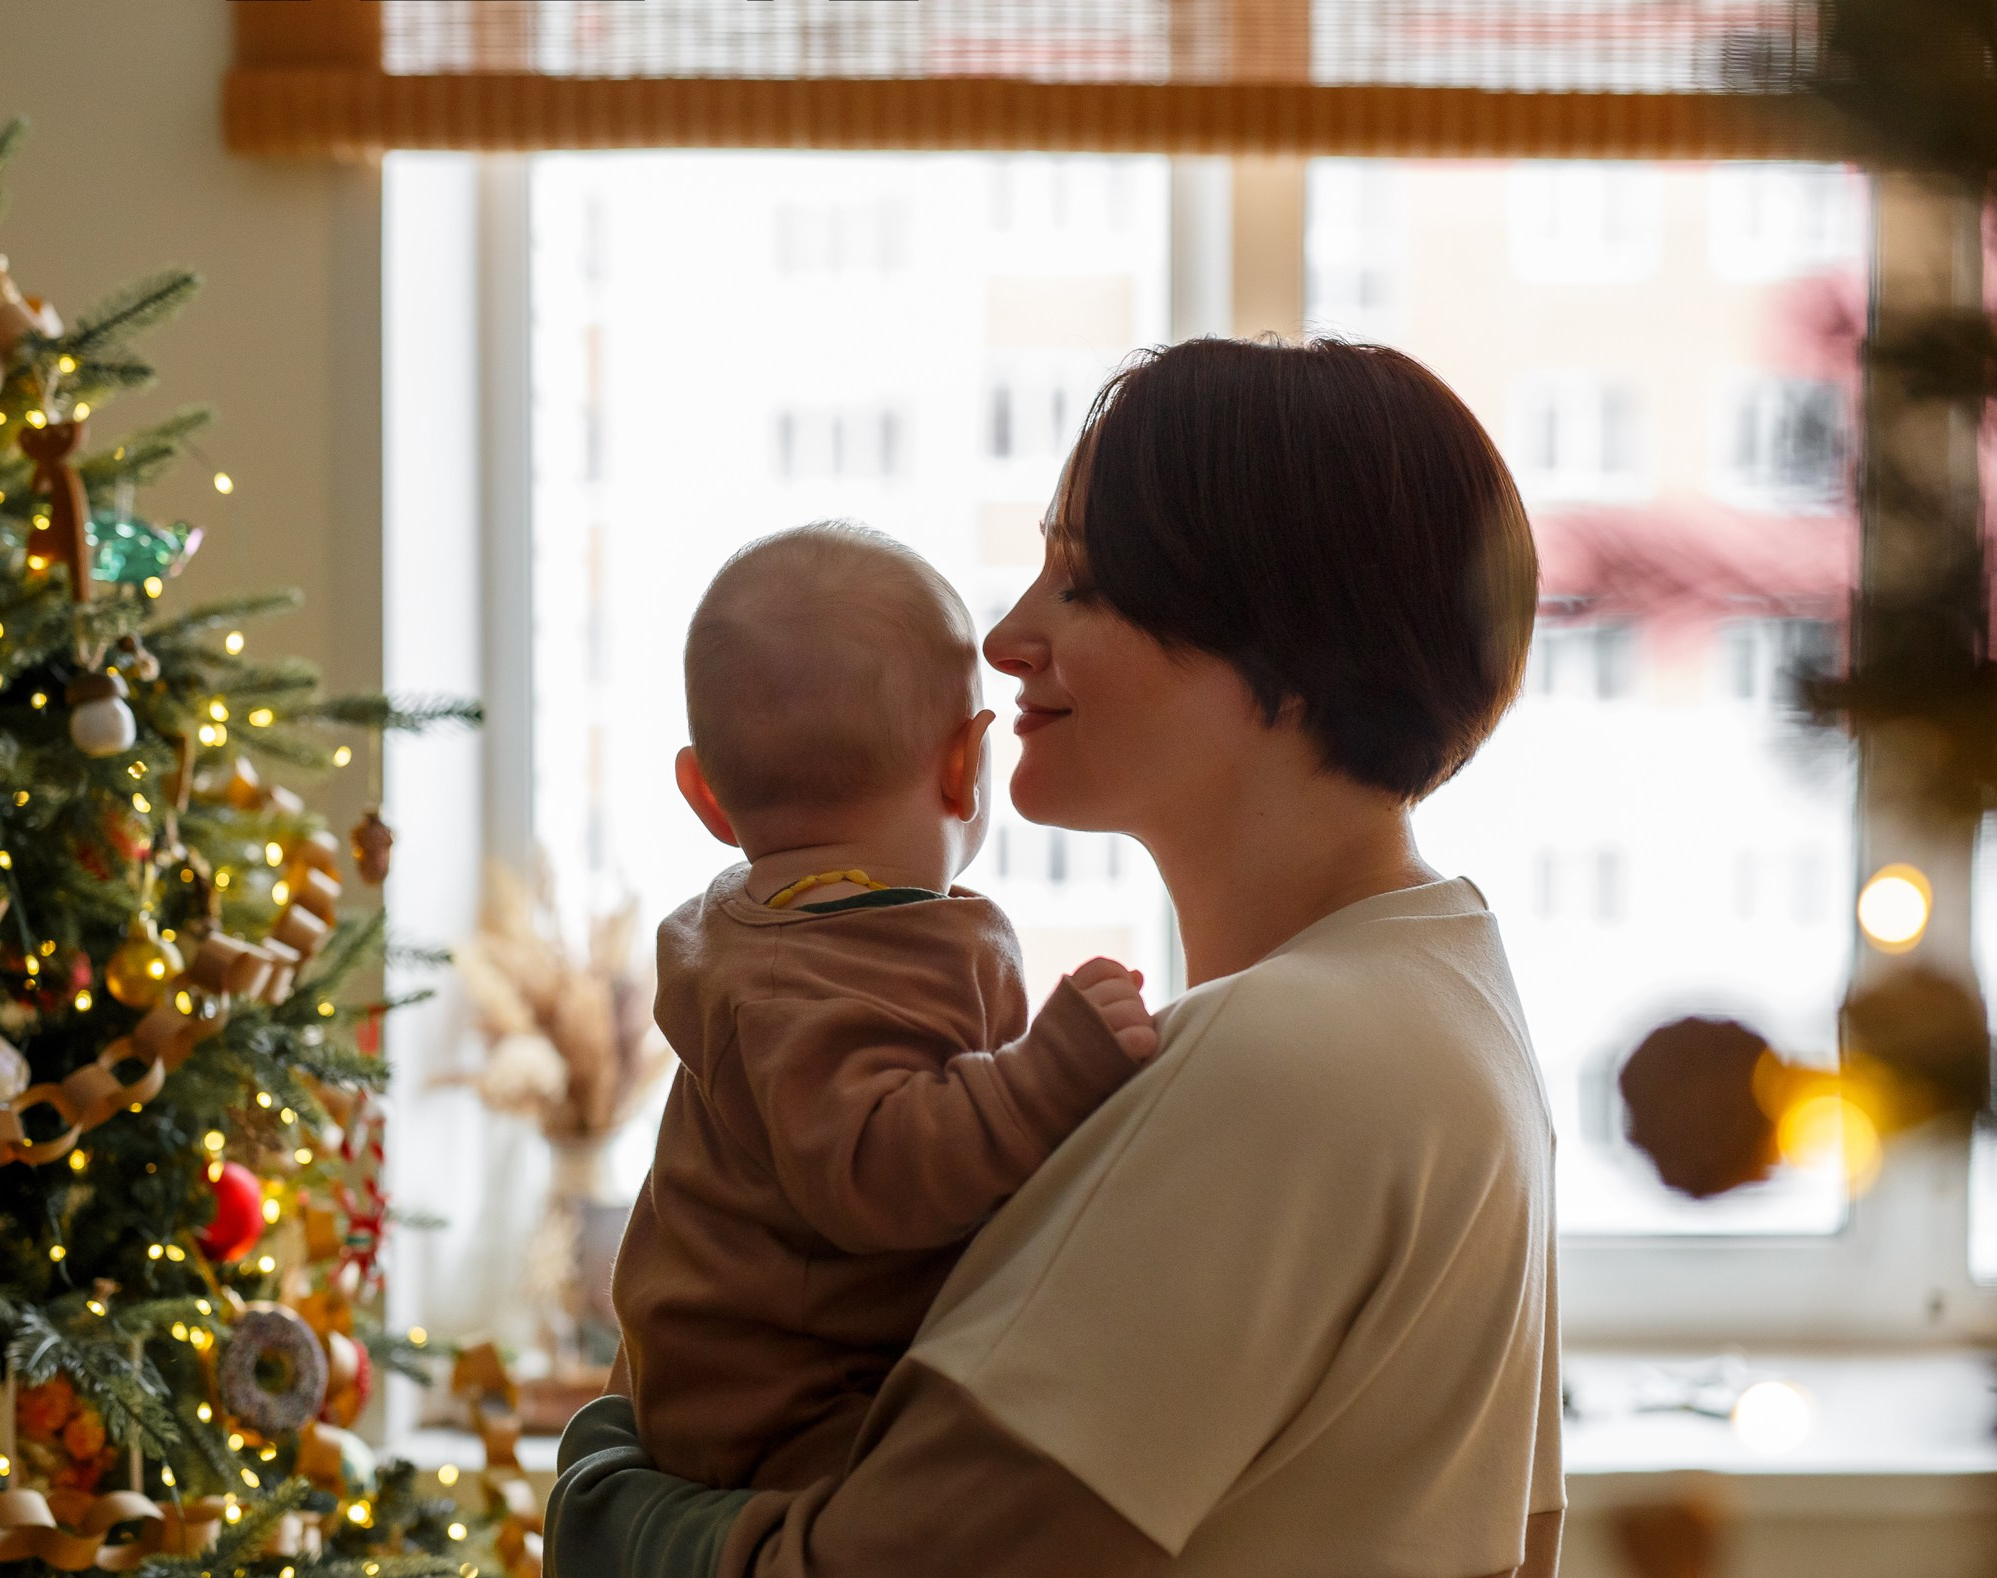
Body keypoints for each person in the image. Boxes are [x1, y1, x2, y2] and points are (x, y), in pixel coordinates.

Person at [548, 337, 1562, 1578]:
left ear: (1286, 647)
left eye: (1081, 583)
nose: (1007, 637)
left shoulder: (1281, 1061)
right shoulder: (1444, 990)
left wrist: (607, 1491)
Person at [612, 524, 1161, 1493]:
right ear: (966, 765)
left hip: (766, 1388)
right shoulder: (808, 978)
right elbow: (872, 1165)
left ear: (705, 795)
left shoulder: (778, 944)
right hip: (783, 1414)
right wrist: (1048, 1075)